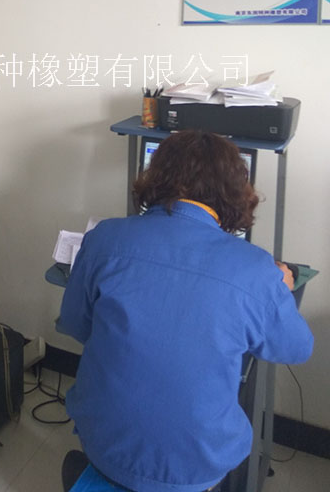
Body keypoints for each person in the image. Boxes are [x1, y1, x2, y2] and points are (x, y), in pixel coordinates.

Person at [58, 130, 313, 492]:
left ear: (155, 175)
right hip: (194, 468)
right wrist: (279, 288)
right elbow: (296, 348)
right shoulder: (255, 271)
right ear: (235, 190)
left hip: (101, 444)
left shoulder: (105, 238)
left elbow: (76, 325)